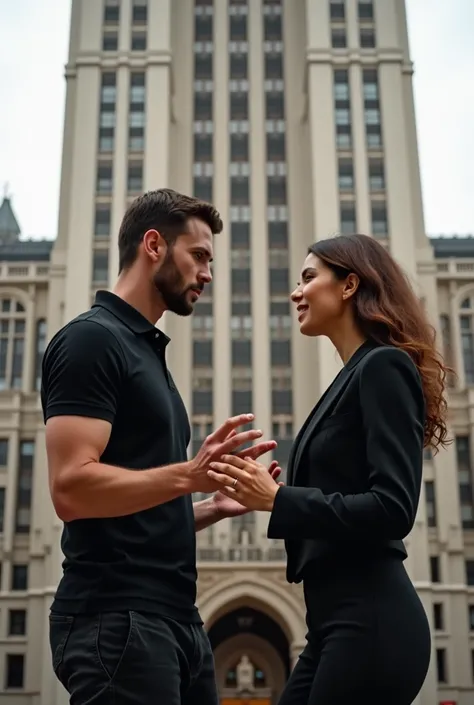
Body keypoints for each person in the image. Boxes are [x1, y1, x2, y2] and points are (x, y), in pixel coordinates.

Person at [42, 188, 280, 705]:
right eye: (199, 255)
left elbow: (130, 508)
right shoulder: (92, 340)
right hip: (118, 619)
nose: (208, 274)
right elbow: (72, 490)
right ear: (153, 245)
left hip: (176, 620)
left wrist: (207, 506)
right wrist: (190, 475)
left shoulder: (145, 351)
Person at [208, 233, 450, 705]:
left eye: (308, 278)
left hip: (370, 620)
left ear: (348, 285)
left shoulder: (383, 367)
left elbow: (394, 508)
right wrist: (270, 495)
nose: (296, 292)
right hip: (330, 626)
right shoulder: (351, 375)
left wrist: (280, 500)